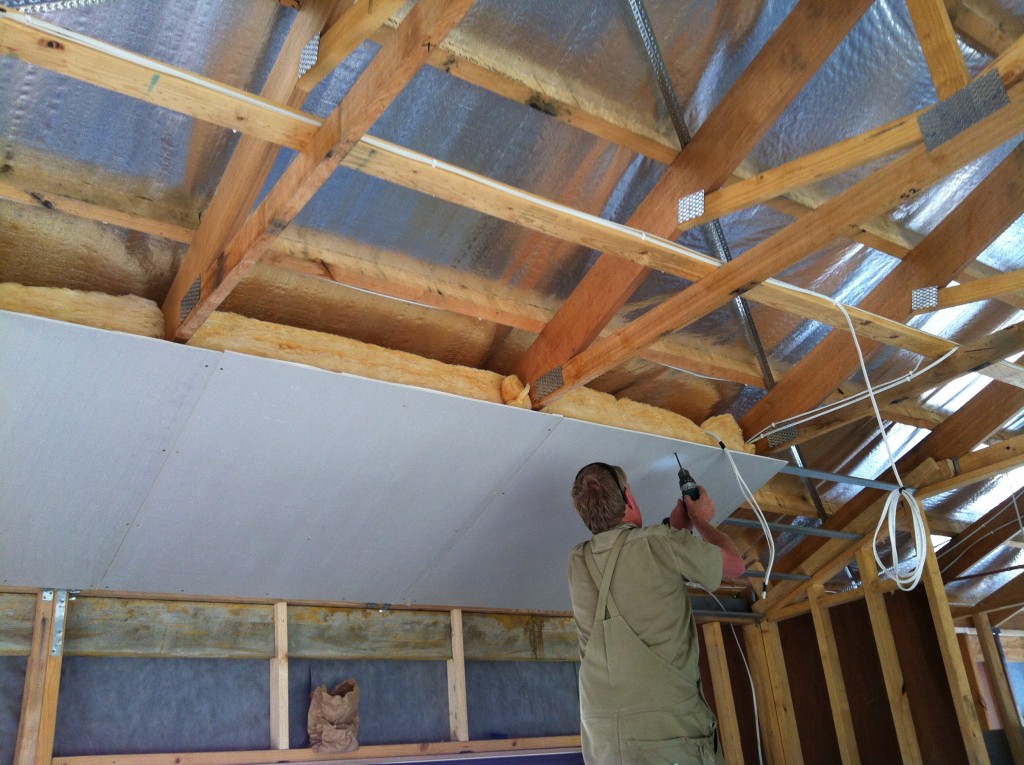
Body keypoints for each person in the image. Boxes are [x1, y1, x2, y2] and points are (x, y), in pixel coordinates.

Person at [567, 462, 746, 765]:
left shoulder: (578, 560)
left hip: (603, 740)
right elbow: (734, 565)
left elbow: (633, 574)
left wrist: (674, 531)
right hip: (666, 733)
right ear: (629, 499)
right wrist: (701, 522)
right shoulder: (661, 544)